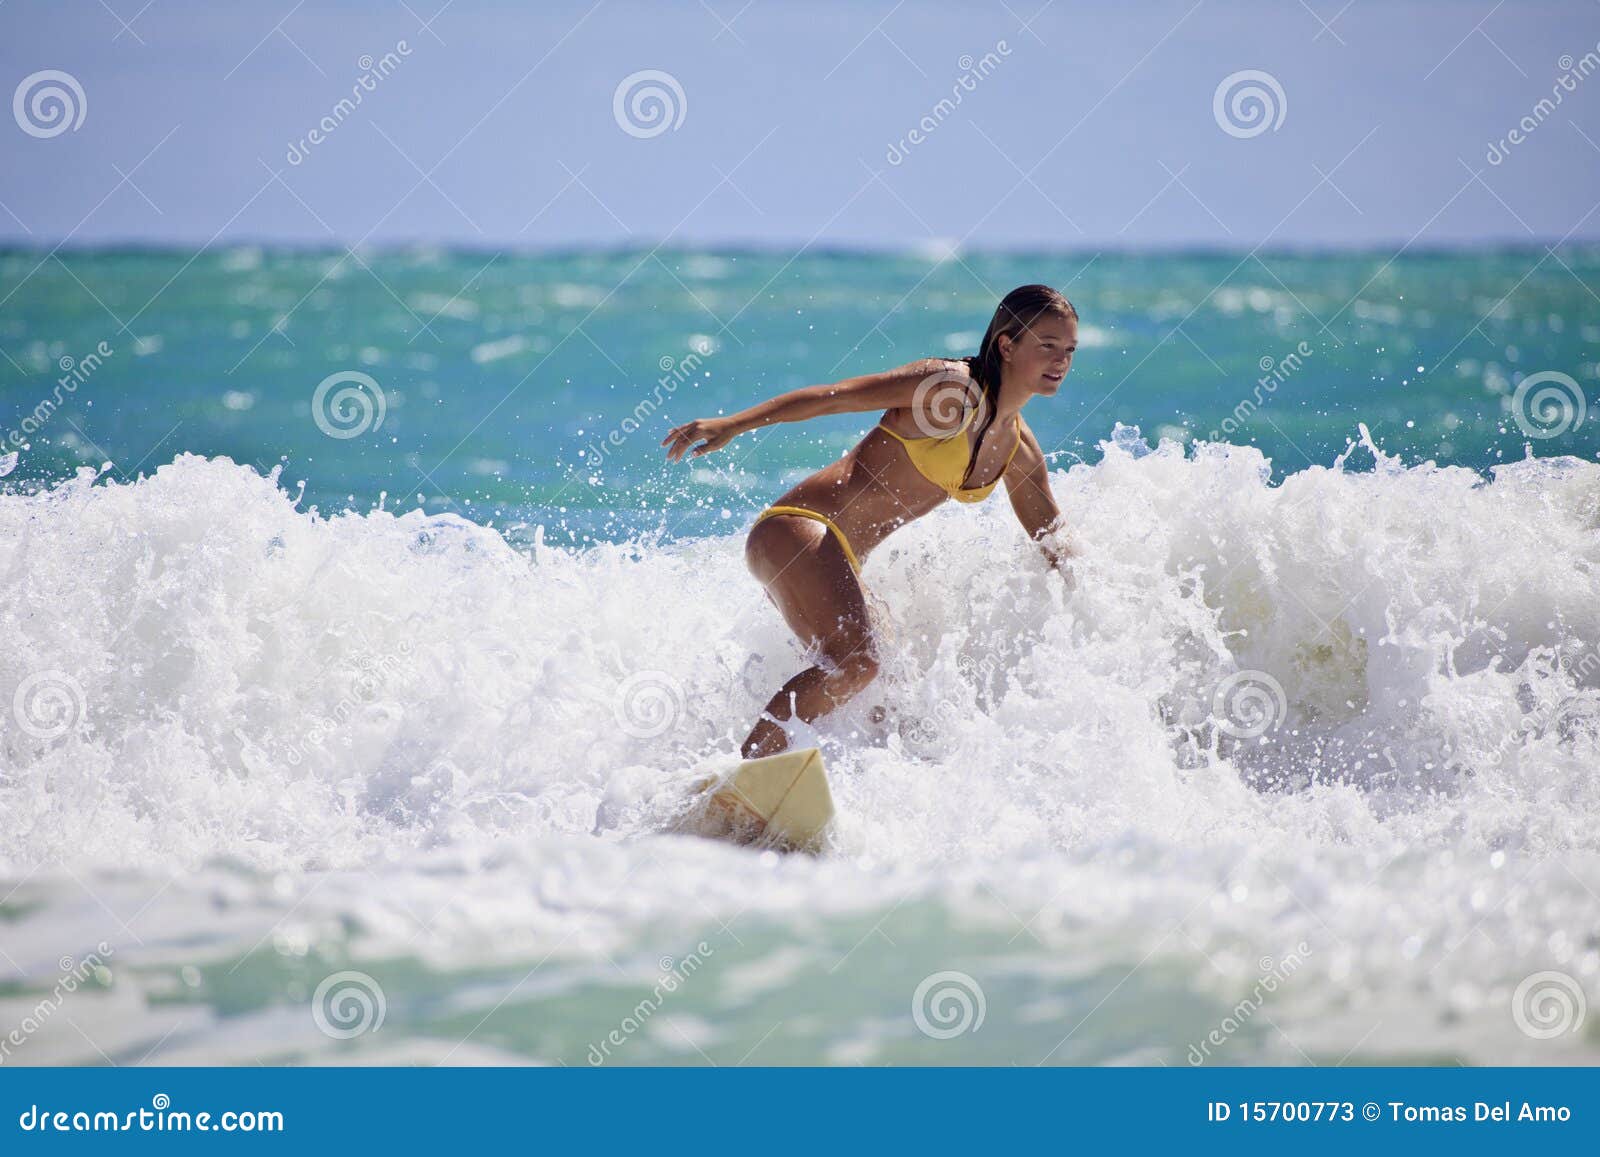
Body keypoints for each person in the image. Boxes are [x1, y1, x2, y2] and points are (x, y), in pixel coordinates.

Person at [664, 284, 1077, 758]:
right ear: (1007, 344)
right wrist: (732, 424)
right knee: (857, 662)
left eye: (1069, 349)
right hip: (798, 528)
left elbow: (1054, 540)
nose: (1060, 359)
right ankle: (743, 775)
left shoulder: (1017, 447)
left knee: (893, 698)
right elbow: (831, 398)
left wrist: (1106, 609)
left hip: (835, 557)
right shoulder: (949, 389)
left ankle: (786, 790)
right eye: (1047, 345)